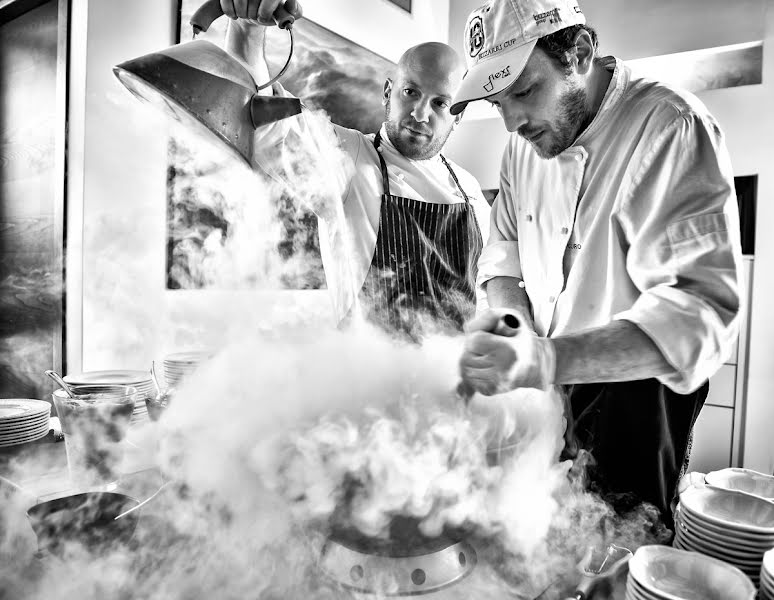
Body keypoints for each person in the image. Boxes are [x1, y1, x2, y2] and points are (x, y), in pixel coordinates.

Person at [454, 0, 743, 527]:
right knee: (547, 537)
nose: (512, 120)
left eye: (523, 91)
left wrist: (543, 361)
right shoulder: (524, 148)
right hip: (547, 379)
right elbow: (504, 254)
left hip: (636, 390)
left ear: (580, 53)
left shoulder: (669, 126)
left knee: (617, 545)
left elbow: (698, 316)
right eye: (497, 102)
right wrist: (516, 331)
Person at [219, 0, 490, 339]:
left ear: (458, 114)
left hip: (457, 384)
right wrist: (247, 27)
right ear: (389, 93)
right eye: (411, 92)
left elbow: (487, 298)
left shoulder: (470, 189)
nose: (421, 114)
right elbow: (259, 121)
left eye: (440, 103)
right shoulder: (349, 157)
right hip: (370, 384)